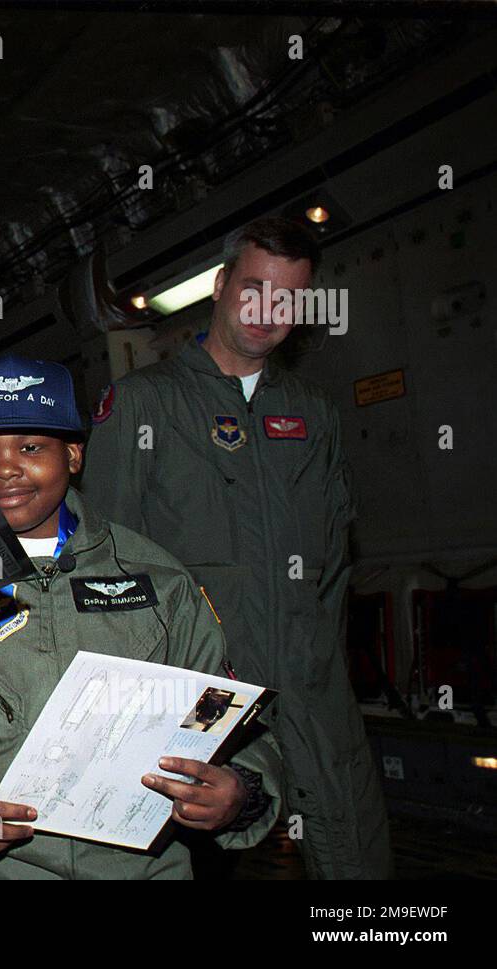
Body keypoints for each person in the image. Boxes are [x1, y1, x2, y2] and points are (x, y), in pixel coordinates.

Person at [0, 354, 283, 878]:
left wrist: (238, 790)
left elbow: (233, 722)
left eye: (30, 447)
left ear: (72, 455)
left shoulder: (159, 580)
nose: (5, 468)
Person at [83, 217, 393, 878]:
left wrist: (323, 660)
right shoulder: (145, 404)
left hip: (309, 680)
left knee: (351, 847)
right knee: (194, 853)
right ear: (221, 286)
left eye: (287, 298)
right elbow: (106, 564)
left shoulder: (314, 414)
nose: (267, 311)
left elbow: (337, 562)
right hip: (199, 687)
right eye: (254, 289)